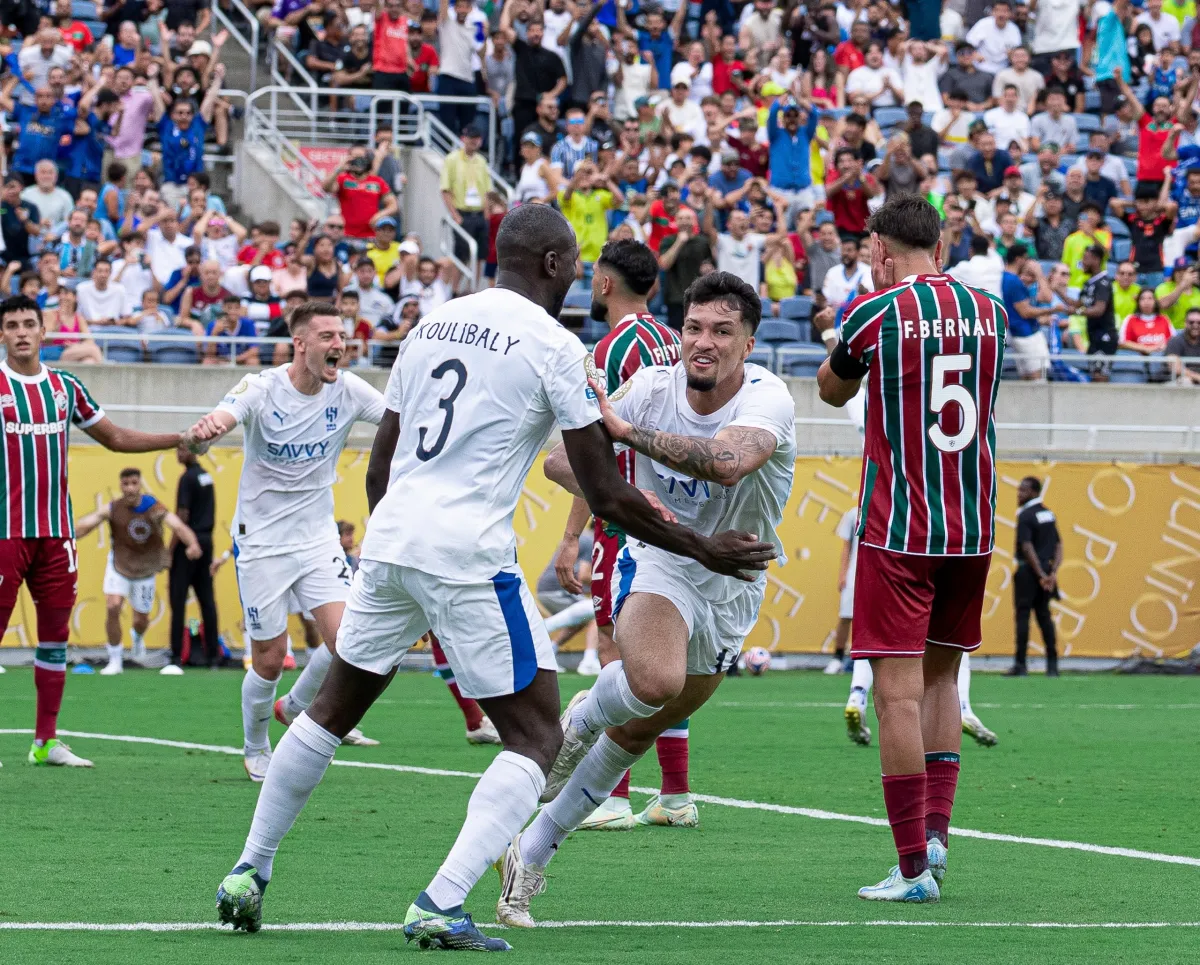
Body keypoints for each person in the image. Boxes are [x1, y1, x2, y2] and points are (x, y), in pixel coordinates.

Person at [212, 205, 773, 948]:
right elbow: (605, 492)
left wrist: (399, 552)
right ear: (549, 264)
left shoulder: (431, 323)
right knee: (538, 735)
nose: (580, 273)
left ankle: (249, 870)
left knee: (329, 711)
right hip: (469, 550)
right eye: (573, 260)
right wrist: (703, 547)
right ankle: (442, 900)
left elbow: (381, 465)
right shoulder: (552, 343)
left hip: (392, 539)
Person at [496, 269, 794, 924]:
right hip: (661, 558)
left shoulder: (769, 400)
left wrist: (626, 437)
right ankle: (573, 720)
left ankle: (532, 851)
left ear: (749, 343)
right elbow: (559, 461)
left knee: (641, 724)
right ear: (678, 331)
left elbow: (726, 462)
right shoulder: (651, 388)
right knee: (654, 680)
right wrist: (621, 494)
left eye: (722, 331)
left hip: (734, 582)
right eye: (693, 328)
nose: (704, 342)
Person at [816, 195, 1006, 903]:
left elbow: (833, 392)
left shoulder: (874, 313)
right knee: (940, 681)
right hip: (973, 526)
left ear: (879, 251)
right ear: (943, 240)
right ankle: (936, 838)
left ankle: (909, 868)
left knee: (894, 692)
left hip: (900, 529)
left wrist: (859, 321)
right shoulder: (991, 312)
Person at [183, 301, 387, 781]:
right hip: (262, 543)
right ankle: (256, 746)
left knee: (349, 641)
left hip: (317, 538)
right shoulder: (262, 388)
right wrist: (204, 434)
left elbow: (400, 422)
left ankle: (296, 706)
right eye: (327, 337)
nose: (339, 345)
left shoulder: (350, 390)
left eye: (341, 336)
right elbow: (220, 419)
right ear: (300, 344)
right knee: (270, 658)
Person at [0, 295, 186, 767]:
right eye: (11, 326)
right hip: (6, 534)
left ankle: (45, 742)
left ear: (44, 332)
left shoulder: (65, 387)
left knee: (55, 639)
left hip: (58, 535)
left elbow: (116, 437)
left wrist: (176, 437)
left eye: (28, 324)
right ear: (1, 335)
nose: (21, 332)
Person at [550, 239, 691, 831]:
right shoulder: (678, 342)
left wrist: (569, 536)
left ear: (604, 284)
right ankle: (677, 794)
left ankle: (612, 796)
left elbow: (591, 453)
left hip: (628, 521)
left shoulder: (606, 352)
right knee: (671, 652)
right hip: (683, 518)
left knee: (619, 648)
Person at [74, 467, 202, 676]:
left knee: (140, 620)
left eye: (134, 483)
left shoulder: (153, 507)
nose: (130, 488)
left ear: (139, 484)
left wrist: (192, 543)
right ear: (121, 486)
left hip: (145, 571)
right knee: (113, 606)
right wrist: (68, 535)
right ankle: (115, 660)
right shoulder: (113, 508)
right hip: (119, 566)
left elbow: (177, 526)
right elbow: (89, 523)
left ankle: (138, 635)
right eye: (126, 484)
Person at [167, 443, 219, 672]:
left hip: (189, 544)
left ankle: (176, 655)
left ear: (193, 451)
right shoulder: (206, 476)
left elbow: (182, 515)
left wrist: (171, 548)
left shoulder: (187, 478)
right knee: (206, 599)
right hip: (206, 541)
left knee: (178, 599)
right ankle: (213, 657)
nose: (179, 454)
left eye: (182, 450)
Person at [1009, 477, 1062, 677]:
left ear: (1034, 492)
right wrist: (1052, 573)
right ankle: (1052, 666)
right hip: (1046, 573)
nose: (1019, 494)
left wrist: (1040, 574)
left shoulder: (1026, 515)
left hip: (1028, 573)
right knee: (1044, 616)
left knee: (1023, 616)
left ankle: (1021, 665)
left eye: (1023, 490)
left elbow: (1027, 546)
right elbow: (1059, 545)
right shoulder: (1048, 514)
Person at [1052, 244, 1119, 377]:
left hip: (1104, 336)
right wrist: (1057, 290)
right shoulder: (1089, 283)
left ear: (1096, 260)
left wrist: (1075, 312)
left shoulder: (1103, 283)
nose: (1082, 261)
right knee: (1095, 373)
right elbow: (1077, 304)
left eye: (1085, 258)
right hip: (1093, 336)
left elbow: (1099, 310)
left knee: (1100, 375)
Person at [1166, 307, 1200, 382]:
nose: (1195, 325)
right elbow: (1175, 368)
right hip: (1177, 382)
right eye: (1191, 322)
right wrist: (1197, 377)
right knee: (1186, 381)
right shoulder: (1175, 341)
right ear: (1185, 323)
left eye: (1199, 322)